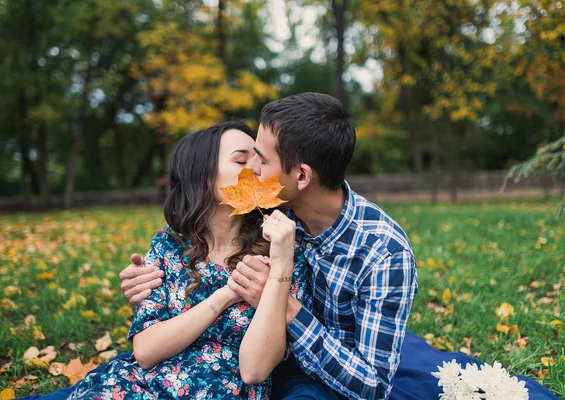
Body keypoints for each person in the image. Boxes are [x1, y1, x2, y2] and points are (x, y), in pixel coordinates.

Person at [121, 92, 418, 400]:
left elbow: (374, 387)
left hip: (317, 376)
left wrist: (286, 305)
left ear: (301, 176)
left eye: (261, 160)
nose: (253, 172)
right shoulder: (265, 214)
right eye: (245, 159)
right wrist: (145, 281)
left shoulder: (384, 252)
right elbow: (198, 235)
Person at [64, 121, 311, 399]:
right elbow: (145, 352)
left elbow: (255, 371)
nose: (256, 167)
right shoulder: (170, 244)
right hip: (135, 386)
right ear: (203, 175)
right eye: (241, 159)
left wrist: (280, 266)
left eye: (259, 157)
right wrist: (226, 295)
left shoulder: (280, 249)